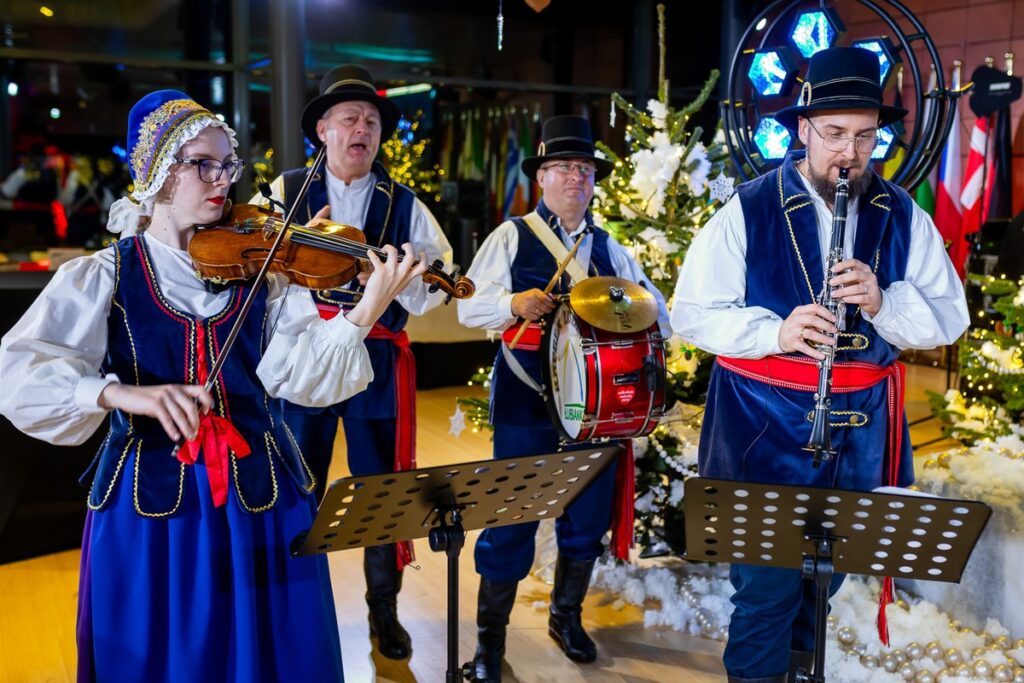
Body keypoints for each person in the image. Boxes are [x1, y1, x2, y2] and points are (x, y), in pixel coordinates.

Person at [0, 89, 425, 683]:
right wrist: (118, 393)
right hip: (151, 507)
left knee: (276, 654)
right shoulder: (103, 274)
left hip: (264, 496)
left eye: (228, 165)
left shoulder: (265, 275)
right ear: (157, 173)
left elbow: (302, 381)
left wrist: (360, 315)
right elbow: (18, 372)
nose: (223, 180)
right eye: (204, 164)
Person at [671, 47, 969, 683]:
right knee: (765, 594)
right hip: (761, 430)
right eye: (834, 135)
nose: (849, 154)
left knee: (821, 589)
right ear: (803, 129)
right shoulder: (747, 208)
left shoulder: (901, 214)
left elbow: (949, 318)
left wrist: (884, 302)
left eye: (865, 137)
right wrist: (776, 331)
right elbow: (692, 313)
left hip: (856, 431)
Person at [457, 115, 669, 682]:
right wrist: (511, 304)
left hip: (596, 414)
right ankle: (489, 643)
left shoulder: (612, 250)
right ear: (542, 177)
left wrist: (633, 306)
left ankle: (564, 615)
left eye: (584, 169)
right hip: (526, 402)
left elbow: (659, 319)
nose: (574, 177)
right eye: (562, 168)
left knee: (586, 520)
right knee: (511, 521)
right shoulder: (512, 236)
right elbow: (466, 307)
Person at [255, 63, 453, 661]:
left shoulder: (407, 204)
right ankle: (292, 601)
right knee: (298, 484)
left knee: (381, 491)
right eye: (349, 118)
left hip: (377, 364)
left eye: (370, 120)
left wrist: (414, 279)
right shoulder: (284, 193)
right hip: (306, 361)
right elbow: (253, 275)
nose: (361, 128)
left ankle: (383, 609)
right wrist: (289, 252)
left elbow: (437, 286)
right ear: (322, 129)